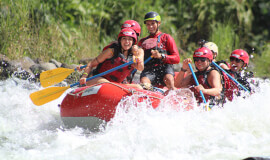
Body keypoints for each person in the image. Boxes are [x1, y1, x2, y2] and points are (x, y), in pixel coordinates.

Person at [78, 28, 144, 89]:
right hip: (97, 80)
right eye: (124, 38)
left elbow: (141, 68)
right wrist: (84, 76)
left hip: (115, 85)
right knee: (108, 85)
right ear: (120, 40)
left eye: (130, 39)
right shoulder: (111, 52)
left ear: (133, 42)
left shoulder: (132, 57)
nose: (127, 41)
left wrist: (138, 58)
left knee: (138, 87)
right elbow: (91, 63)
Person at [138, 11, 180, 91]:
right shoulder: (142, 42)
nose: (150, 27)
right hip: (150, 70)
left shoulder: (166, 38)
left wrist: (161, 56)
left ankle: (173, 92)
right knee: (144, 82)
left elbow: (177, 58)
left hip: (165, 68)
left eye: (153, 24)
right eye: (148, 24)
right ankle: (150, 95)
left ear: (159, 23)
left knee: (168, 79)